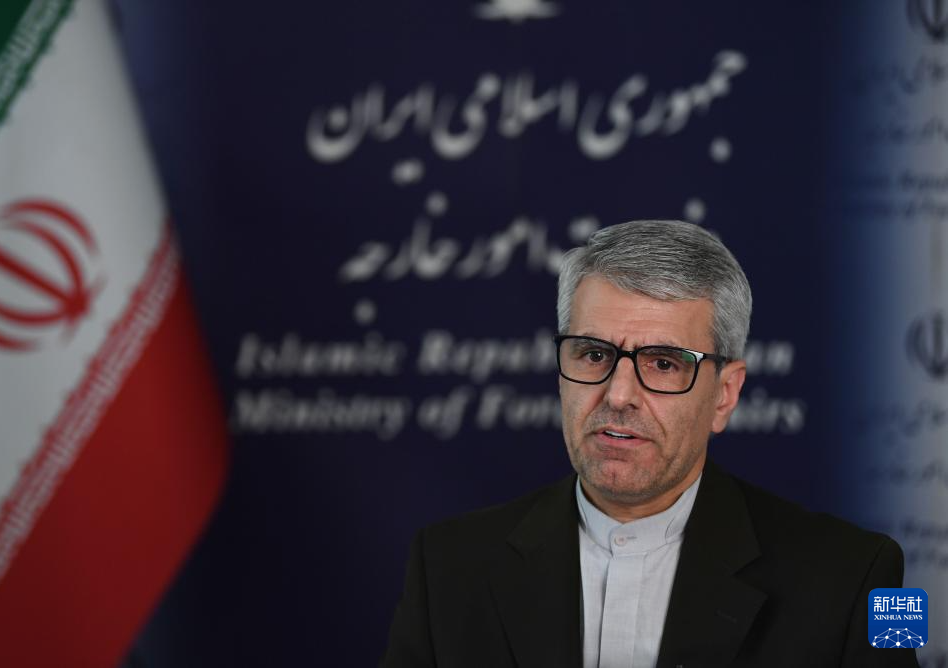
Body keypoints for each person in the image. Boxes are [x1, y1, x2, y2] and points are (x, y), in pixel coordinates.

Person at [381, 220, 918, 668]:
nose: (618, 395)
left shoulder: (865, 577)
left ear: (725, 394)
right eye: (593, 354)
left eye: (663, 364)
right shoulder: (445, 567)